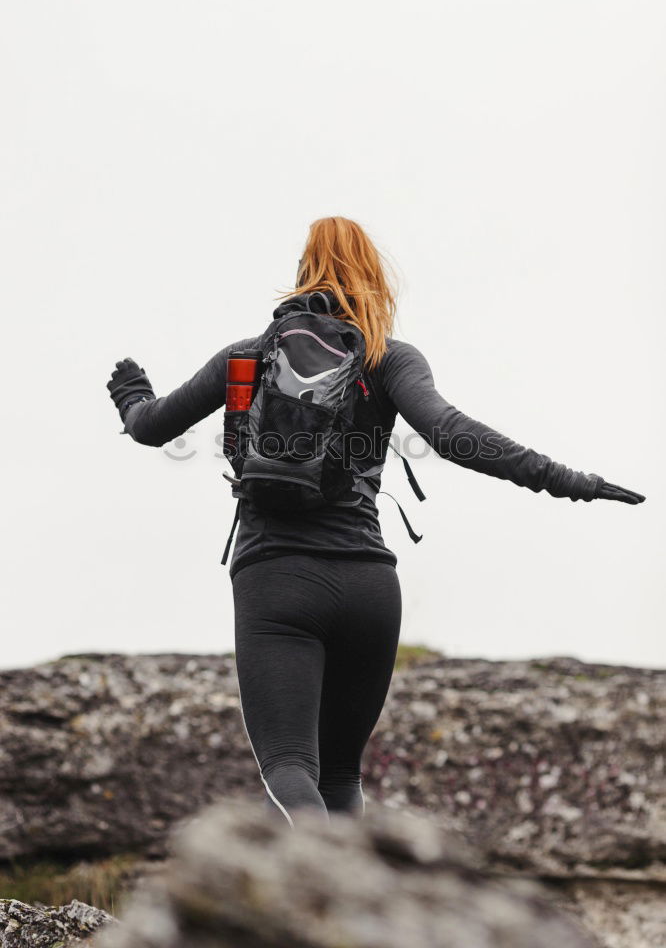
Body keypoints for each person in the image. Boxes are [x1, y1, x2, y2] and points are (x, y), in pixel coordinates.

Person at [107, 216, 644, 827]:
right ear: (374, 278)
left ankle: (326, 897)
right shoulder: (387, 358)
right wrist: (570, 482)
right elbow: (451, 433)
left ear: (302, 272)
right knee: (340, 776)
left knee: (289, 768)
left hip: (276, 578)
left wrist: (131, 393)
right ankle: (358, 907)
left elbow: (151, 428)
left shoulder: (245, 358)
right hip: (368, 585)